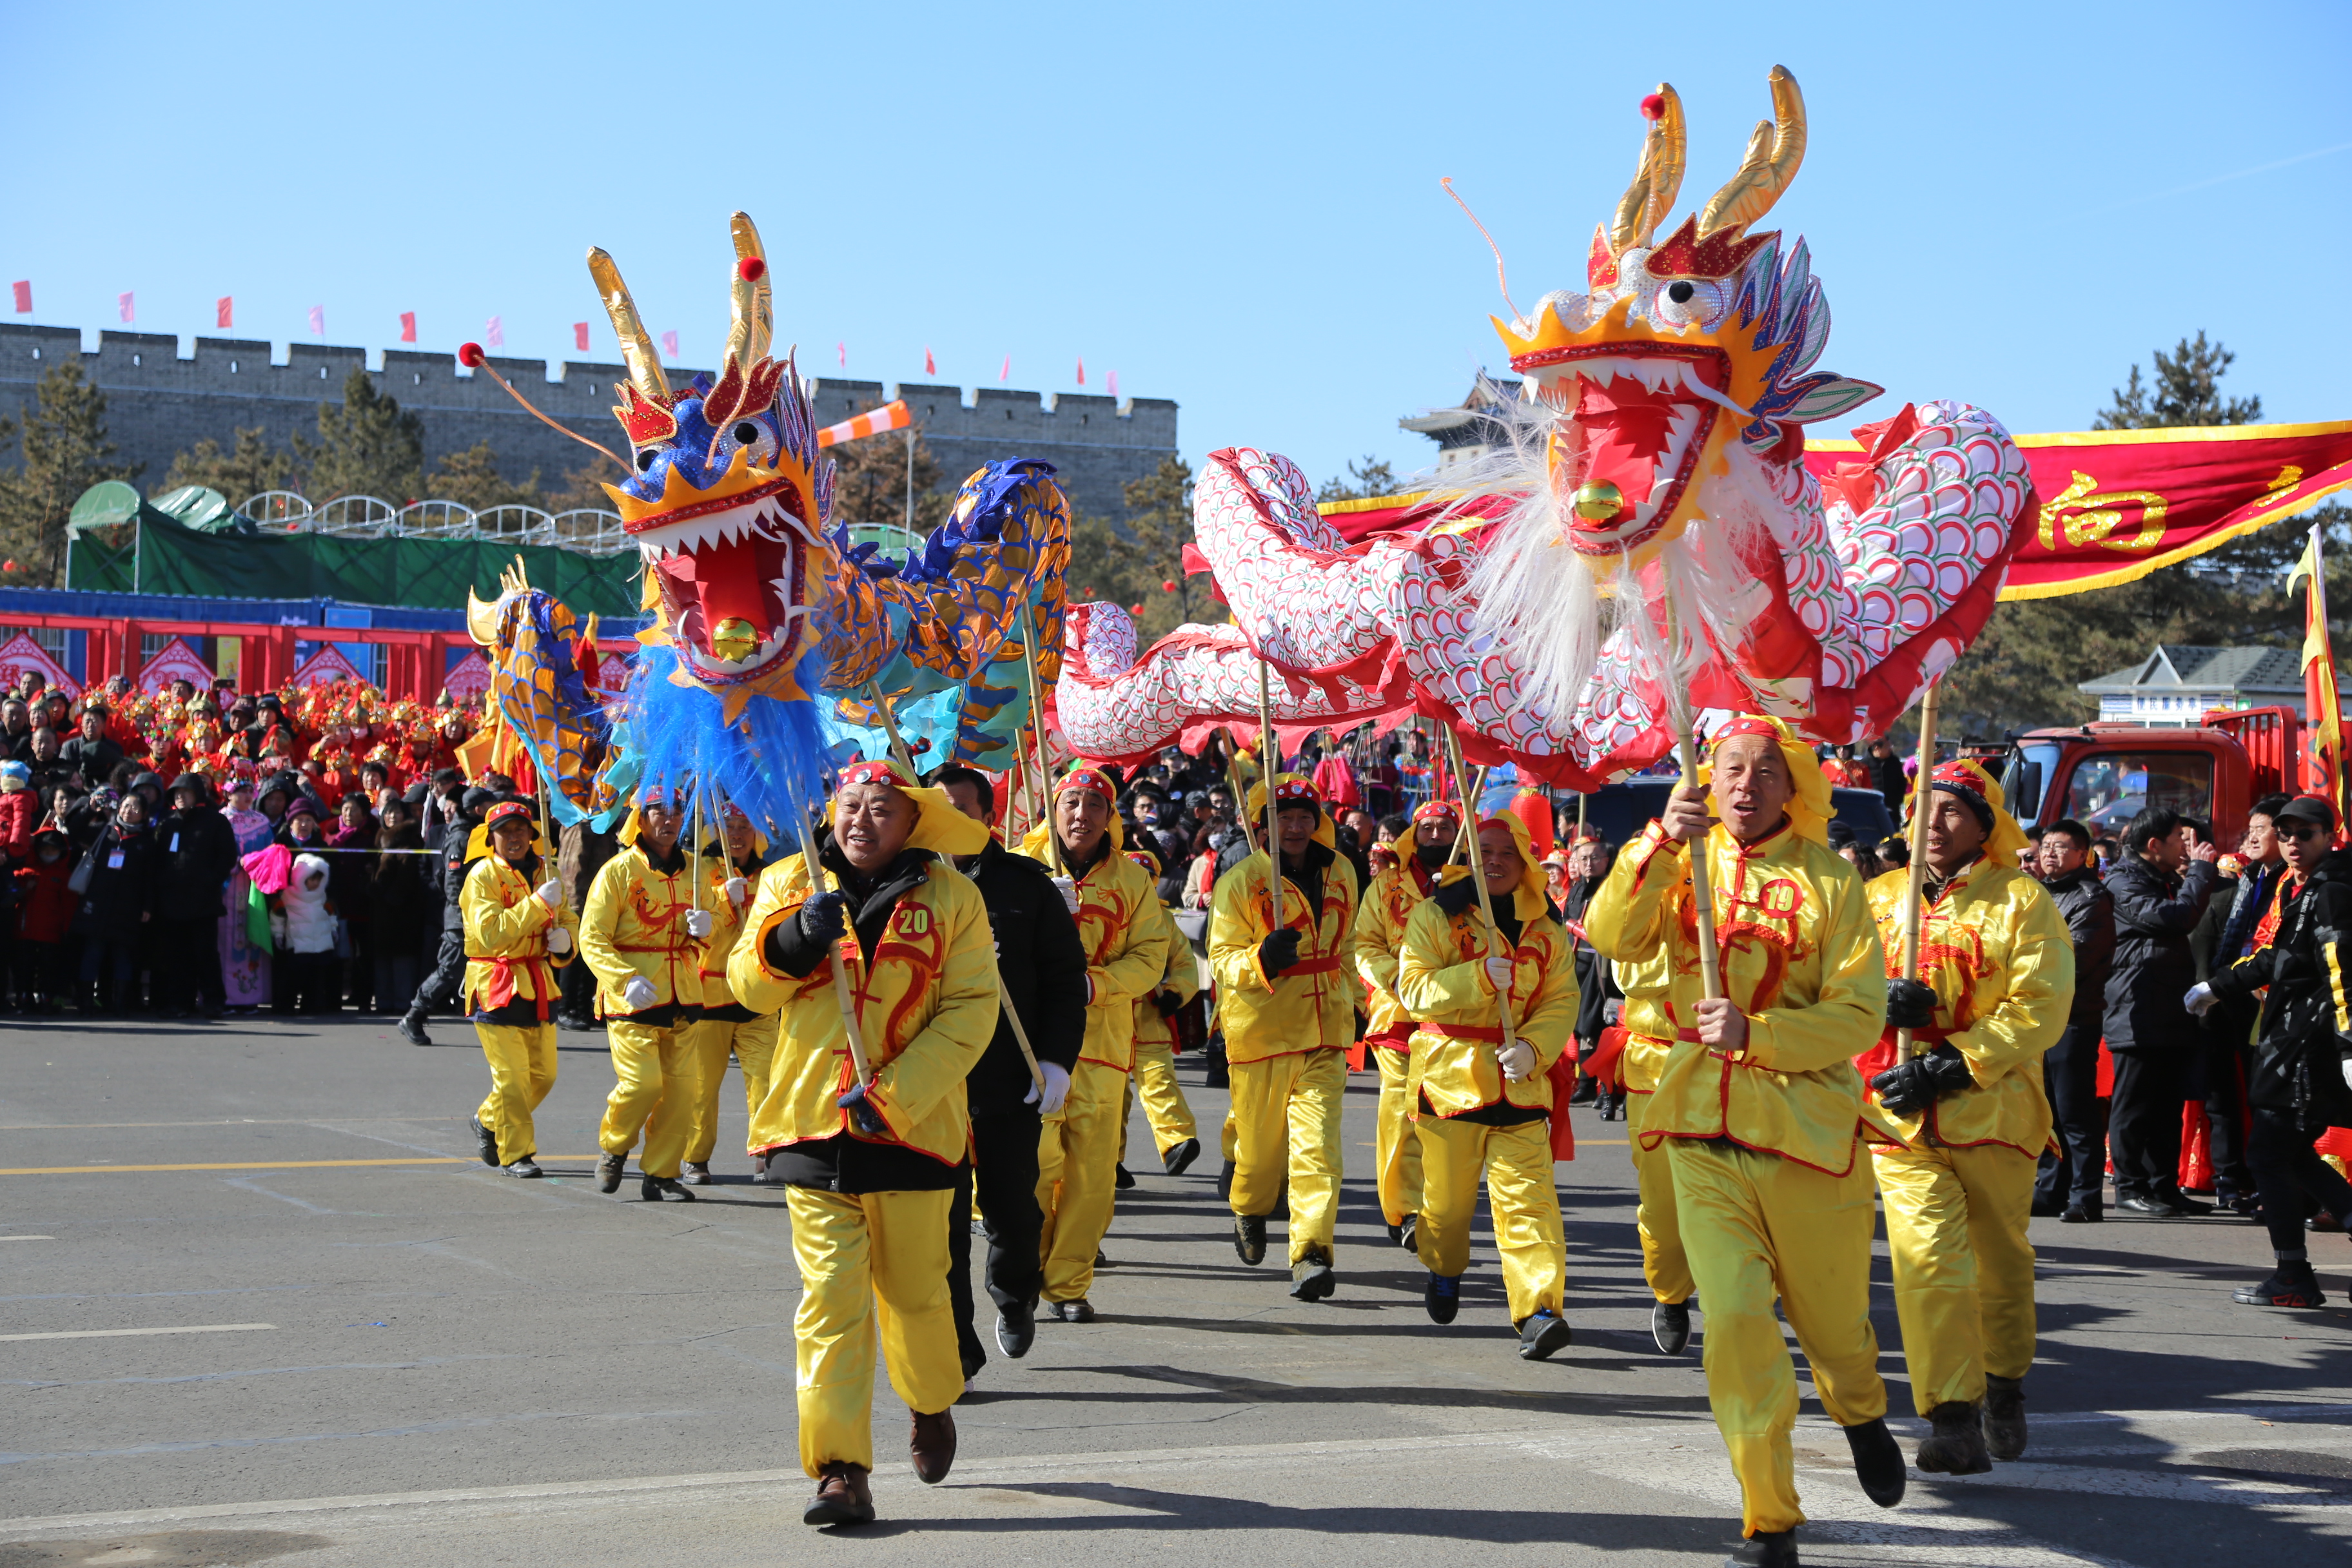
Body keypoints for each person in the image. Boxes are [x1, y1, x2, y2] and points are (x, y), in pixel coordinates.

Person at [1585, 714, 1905, 1565]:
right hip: (1698, 1125)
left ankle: (1862, 1411)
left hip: (1805, 1137)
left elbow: (1858, 1014)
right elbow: (1611, 935)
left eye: (1766, 771)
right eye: (1730, 767)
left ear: (1791, 786)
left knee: (1833, 1330)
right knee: (1732, 1323)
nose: (1744, 784)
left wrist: (1757, 1036)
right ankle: (1771, 1517)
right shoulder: (1680, 862)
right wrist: (1653, 843)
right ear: (1706, 777)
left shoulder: (1834, 883)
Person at [730, 758, 995, 1527]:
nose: (862, 820)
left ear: (913, 819)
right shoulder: (790, 880)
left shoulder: (956, 897)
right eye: (851, 804)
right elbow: (747, 983)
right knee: (830, 1304)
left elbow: (972, 1009)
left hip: (911, 1132)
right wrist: (791, 939)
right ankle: (840, 1468)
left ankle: (931, 1401)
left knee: (916, 1296)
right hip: (811, 1126)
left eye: (882, 807)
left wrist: (897, 1096)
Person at [1861, 759, 2072, 1473]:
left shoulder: (2022, 900)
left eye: (1953, 810)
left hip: (1993, 1112)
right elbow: (1834, 983)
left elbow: (2040, 1005)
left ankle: (2005, 1383)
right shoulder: (1880, 897)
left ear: (1986, 824)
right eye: (1923, 807)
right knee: (1925, 1265)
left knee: (1999, 1265)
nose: (1935, 822)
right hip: (1898, 1120)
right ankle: (1950, 1414)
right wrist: (1875, 1004)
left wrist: (1953, 1061)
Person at [1396, 808, 1578, 1358]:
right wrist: (1475, 978)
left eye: (1507, 853)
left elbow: (1561, 1000)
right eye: (1485, 852)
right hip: (1450, 1084)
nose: (1496, 862)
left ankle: (1539, 1310)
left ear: (1526, 862)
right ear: (1468, 859)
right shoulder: (1435, 915)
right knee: (1447, 1213)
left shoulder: (1546, 926)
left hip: (1521, 1087)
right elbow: (1413, 989)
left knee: (1530, 1205)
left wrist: (1534, 1049)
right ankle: (1443, 1268)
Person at [932, 763, 1087, 1386]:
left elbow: (1063, 983)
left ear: (987, 818)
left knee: (1012, 1209)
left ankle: (1015, 1291)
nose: (947, 821)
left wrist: (1054, 1061)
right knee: (938, 1224)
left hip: (1006, 1076)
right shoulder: (910, 883)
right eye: (936, 808)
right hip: (931, 1082)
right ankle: (954, 1351)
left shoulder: (1026, 886)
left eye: (961, 810)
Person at [2188, 794, 2352, 1307]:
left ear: (2330, 836)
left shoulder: (2333, 890)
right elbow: (2275, 957)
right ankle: (2293, 1273)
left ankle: (2292, 1276)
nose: (2294, 843)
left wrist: (2349, 1046)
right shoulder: (2300, 886)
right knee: (2288, 1153)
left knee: (2269, 1152)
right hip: (2292, 1038)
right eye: (2287, 834)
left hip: (2312, 1045)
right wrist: (2216, 986)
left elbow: (2341, 969)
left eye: (2306, 834)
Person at [1017, 765, 1168, 1321]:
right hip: (1033, 1048)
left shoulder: (1132, 882)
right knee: (1036, 1166)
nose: (1081, 815)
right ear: (1054, 809)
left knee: (1092, 1175)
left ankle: (1069, 1282)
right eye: (1071, 803)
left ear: (1111, 819)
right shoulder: (1020, 866)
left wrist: (1092, 984)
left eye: (1095, 806)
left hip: (1102, 1046)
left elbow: (1150, 958)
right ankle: (1025, 1268)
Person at [1209, 773, 1360, 1301]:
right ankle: (1249, 1210)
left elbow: (1350, 946)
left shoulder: (1342, 871)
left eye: (1304, 817)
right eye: (1283, 816)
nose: (1295, 827)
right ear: (1263, 824)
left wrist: (1356, 1003)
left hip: (1325, 1033)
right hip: (1262, 1034)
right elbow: (1222, 960)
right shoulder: (1241, 881)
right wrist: (1262, 959)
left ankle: (1311, 1253)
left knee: (1319, 1151)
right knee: (1259, 1160)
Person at [582, 787, 709, 1202]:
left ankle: (661, 1172)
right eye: (659, 812)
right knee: (642, 1085)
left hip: (684, 990)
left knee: (682, 1092)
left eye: (677, 812)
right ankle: (614, 1146)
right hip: (635, 995)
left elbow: (723, 929)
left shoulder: (696, 870)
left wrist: (710, 927)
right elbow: (593, 937)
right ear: (641, 816)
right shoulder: (618, 871)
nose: (669, 820)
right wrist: (623, 978)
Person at [2102, 806, 2222, 1217]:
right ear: (2154, 846)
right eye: (2178, 840)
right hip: (2137, 1005)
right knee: (2135, 1103)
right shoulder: (2122, 879)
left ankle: (2164, 1186)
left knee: (2168, 1103)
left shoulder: (2164, 878)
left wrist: (2197, 876)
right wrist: (2201, 874)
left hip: (2170, 1004)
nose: (2186, 847)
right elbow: (2173, 918)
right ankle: (2131, 1186)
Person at [1352, 799, 1459, 1246]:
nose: (1435, 836)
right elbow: (1365, 942)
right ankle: (1404, 1211)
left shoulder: (1473, 883)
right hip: (1398, 1011)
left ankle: (1440, 1205)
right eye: (1427, 828)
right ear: (1414, 833)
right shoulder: (1386, 884)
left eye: (1444, 829)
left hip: (1456, 1014)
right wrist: (1395, 978)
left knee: (1447, 1118)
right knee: (1400, 1113)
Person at [459, 801, 578, 1178]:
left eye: (521, 830)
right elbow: (491, 933)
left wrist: (566, 940)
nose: (514, 837)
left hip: (538, 981)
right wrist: (539, 904)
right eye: (505, 831)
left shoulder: (548, 870)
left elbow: (569, 917)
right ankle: (517, 1154)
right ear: (491, 837)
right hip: (496, 982)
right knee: (511, 1079)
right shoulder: (482, 875)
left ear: (532, 834)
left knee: (542, 1077)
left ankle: (487, 1118)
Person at [2191, 792, 2293, 1217]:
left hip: (2268, 1003)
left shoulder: (2290, 882)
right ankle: (2230, 1181)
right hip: (2227, 996)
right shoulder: (2246, 879)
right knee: (2222, 1097)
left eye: (2260, 829)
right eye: (2248, 830)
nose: (2250, 838)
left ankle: (2272, 1187)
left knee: (2267, 1099)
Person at [680, 806, 774, 1185]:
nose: (736, 834)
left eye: (744, 826)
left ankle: (768, 1155)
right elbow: (698, 931)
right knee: (702, 1085)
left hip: (759, 994)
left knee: (767, 1079)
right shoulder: (698, 873)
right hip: (710, 996)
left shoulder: (771, 875)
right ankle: (695, 1158)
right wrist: (720, 897)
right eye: (729, 826)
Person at [2032, 819, 2117, 1222]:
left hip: (2074, 1016)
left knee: (2075, 1110)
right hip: (2038, 1015)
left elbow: (2074, 957)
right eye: (2046, 845)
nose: (2050, 853)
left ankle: (2086, 1196)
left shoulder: (2091, 897)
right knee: (2045, 1108)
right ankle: (2051, 1189)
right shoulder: (2035, 893)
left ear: (2083, 854)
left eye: (2061, 847)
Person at [1121, 846, 1203, 1179]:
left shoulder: (1164, 920)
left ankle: (1176, 1143)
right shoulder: (1101, 910)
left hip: (1150, 1014)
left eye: (1146, 878)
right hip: (1106, 1016)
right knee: (1108, 1096)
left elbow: (1185, 963)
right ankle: (1107, 1159)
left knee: (1159, 1080)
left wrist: (1176, 992)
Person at [400, 785, 493, 1046]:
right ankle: (415, 1015)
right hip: (462, 915)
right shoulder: (462, 836)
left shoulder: (480, 833)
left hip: (483, 913)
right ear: (477, 809)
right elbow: (453, 882)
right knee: (451, 969)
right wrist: (465, 912)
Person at [152, 775, 237, 1019]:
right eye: (176, 793)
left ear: (197, 794)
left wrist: (211, 881)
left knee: (206, 954)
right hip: (172, 903)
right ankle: (181, 1002)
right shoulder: (168, 824)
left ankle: (214, 1001)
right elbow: (158, 859)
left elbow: (227, 857)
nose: (180, 797)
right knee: (178, 956)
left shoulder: (215, 821)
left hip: (203, 902)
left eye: (185, 792)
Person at [74, 790, 158, 1012]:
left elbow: (151, 878)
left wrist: (148, 906)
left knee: (123, 956)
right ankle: (85, 1003)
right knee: (93, 953)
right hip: (97, 902)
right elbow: (74, 832)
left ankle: (121, 1003)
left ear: (144, 814)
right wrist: (89, 810)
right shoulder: (105, 831)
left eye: (135, 808)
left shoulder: (146, 842)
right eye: (126, 806)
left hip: (127, 906)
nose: (129, 811)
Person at [370, 797, 433, 1015]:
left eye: (397, 813)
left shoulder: (411, 842)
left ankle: (402, 1002)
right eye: (388, 812)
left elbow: (408, 880)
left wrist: (391, 897)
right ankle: (384, 1002)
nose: (392, 817)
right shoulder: (378, 841)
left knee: (403, 961)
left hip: (403, 912)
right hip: (380, 912)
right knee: (382, 961)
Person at [219, 778, 275, 1010]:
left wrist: (255, 864)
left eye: (250, 791)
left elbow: (271, 852)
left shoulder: (261, 821)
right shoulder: (219, 819)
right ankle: (224, 997)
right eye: (241, 792)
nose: (247, 795)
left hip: (254, 888)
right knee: (223, 941)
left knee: (252, 937)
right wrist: (232, 864)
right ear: (229, 795)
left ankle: (251, 997)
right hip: (225, 888)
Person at [271, 852, 340, 1014]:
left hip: (321, 944)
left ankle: (312, 1006)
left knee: (316, 978)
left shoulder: (323, 896)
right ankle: (286, 1006)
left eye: (318, 879)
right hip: (298, 944)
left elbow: (331, 914)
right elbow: (278, 917)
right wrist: (278, 934)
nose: (315, 883)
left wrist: (334, 929)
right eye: (312, 879)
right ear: (301, 878)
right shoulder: (288, 896)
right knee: (294, 978)